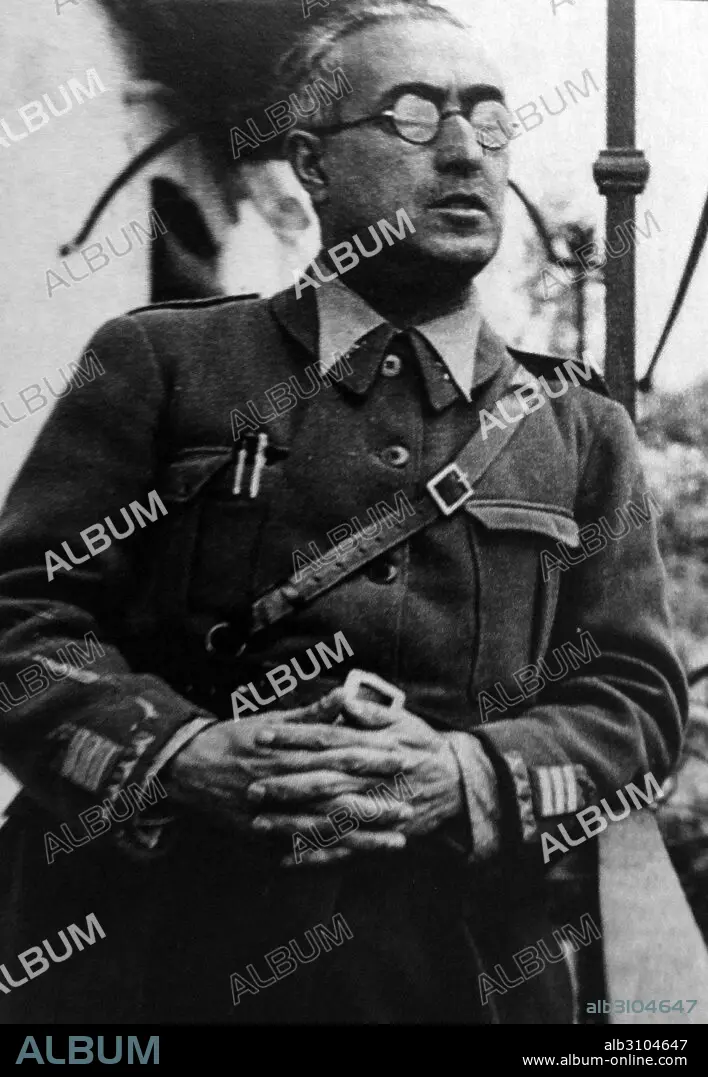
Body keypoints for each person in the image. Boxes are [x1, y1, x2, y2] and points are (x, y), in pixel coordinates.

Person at [0, 0, 686, 1024]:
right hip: (156, 962)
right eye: (412, 115)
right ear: (312, 164)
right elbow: (21, 619)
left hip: (464, 975)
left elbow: (635, 698)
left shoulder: (580, 429)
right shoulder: (162, 363)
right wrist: (179, 755)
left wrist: (466, 773)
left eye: (490, 119)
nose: (464, 151)